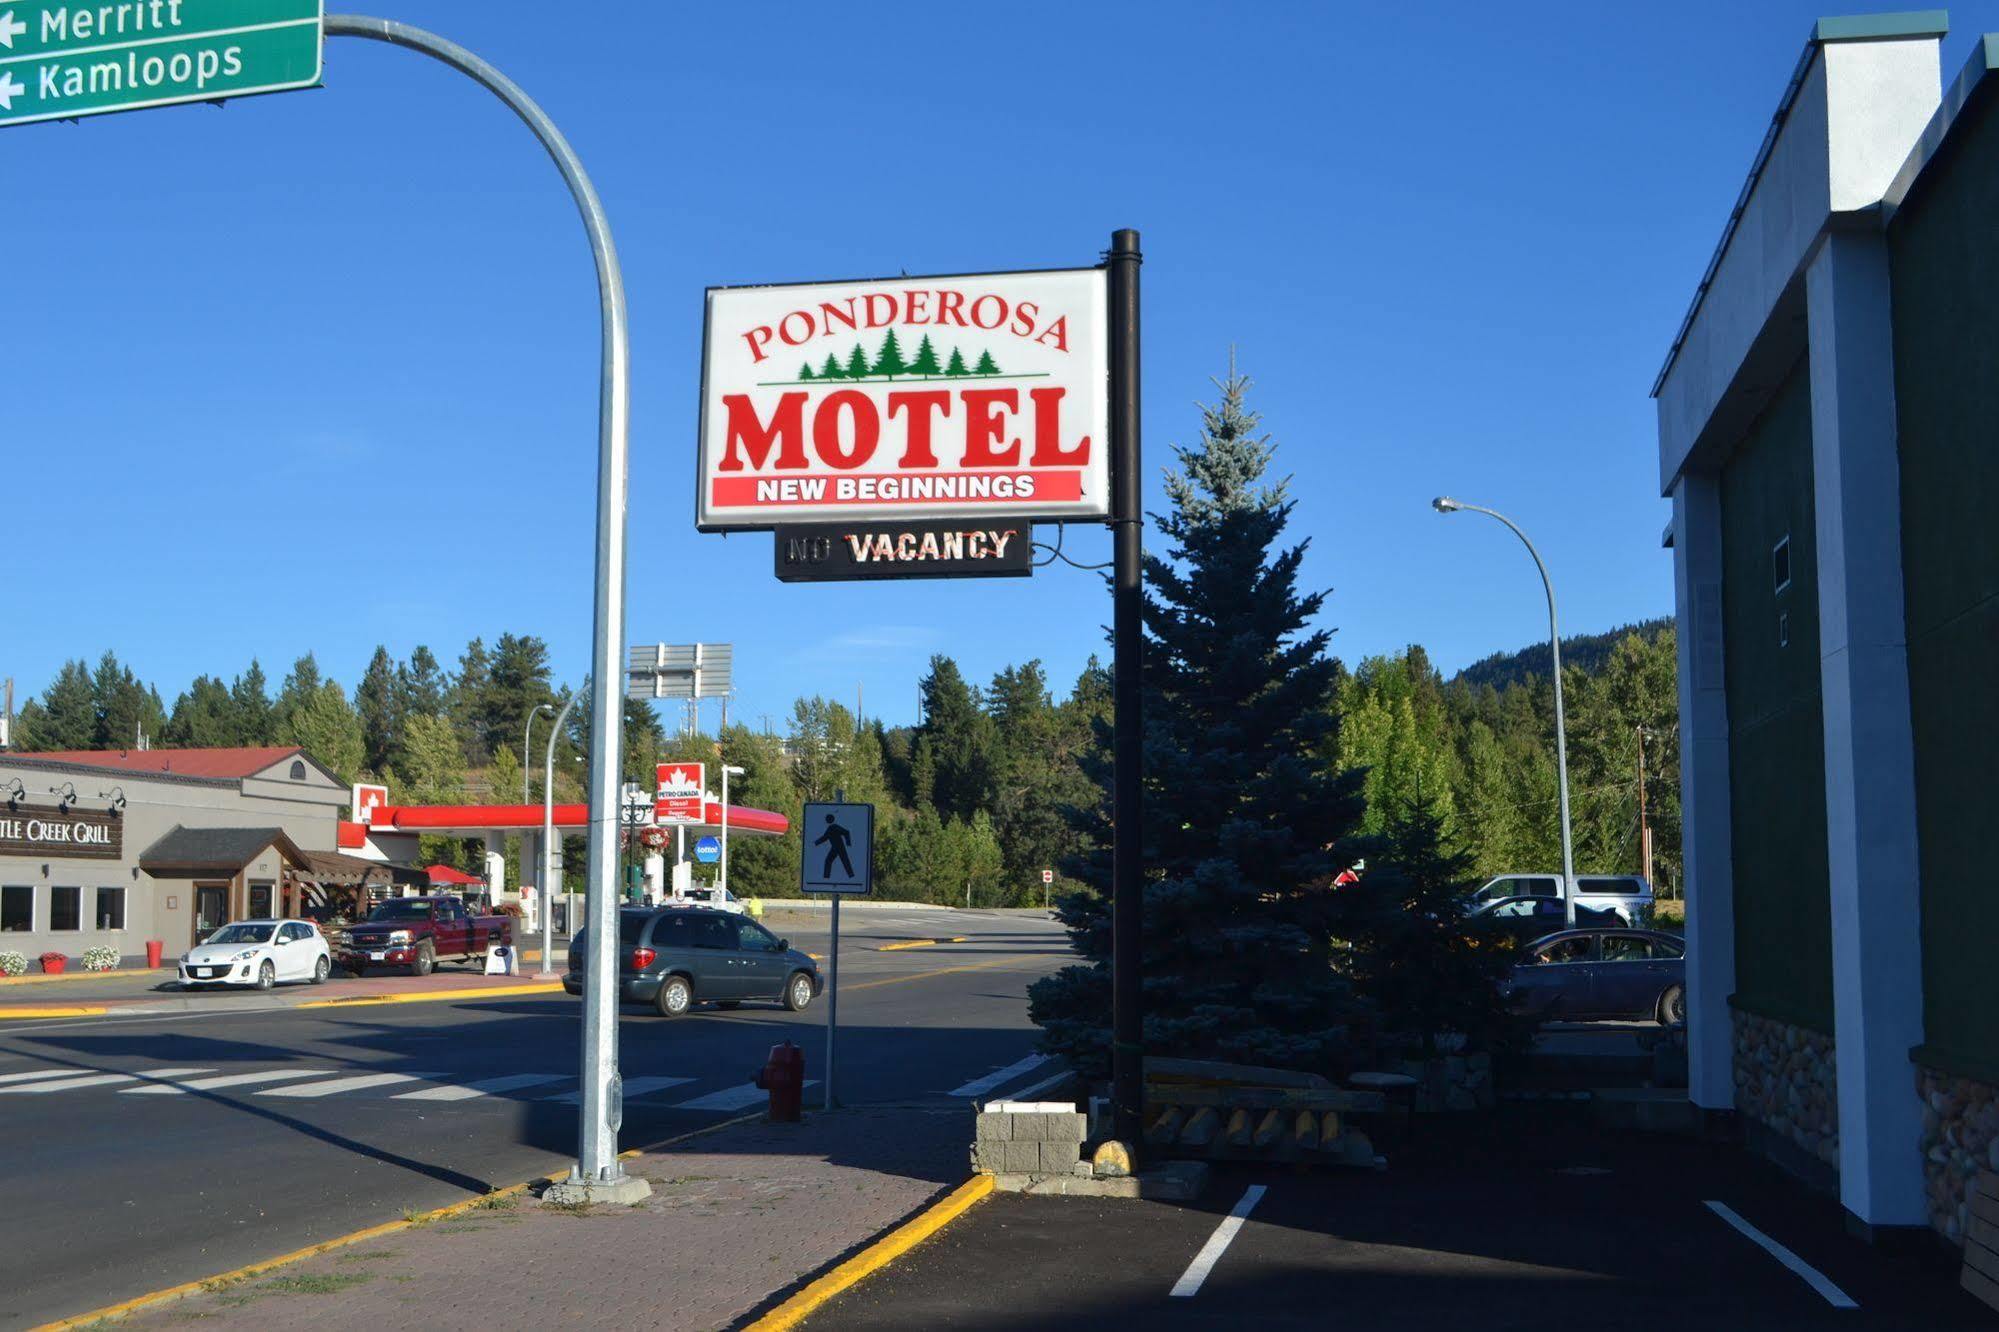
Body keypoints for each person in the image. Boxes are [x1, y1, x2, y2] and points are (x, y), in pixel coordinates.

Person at [815, 814, 855, 878]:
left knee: (844, 861)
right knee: (829, 860)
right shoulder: (830, 828)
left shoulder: (835, 827)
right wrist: (816, 843)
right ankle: (826, 877)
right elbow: (825, 838)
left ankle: (851, 876)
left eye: (827, 819)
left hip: (840, 847)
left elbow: (846, 832)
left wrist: (848, 843)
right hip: (834, 847)